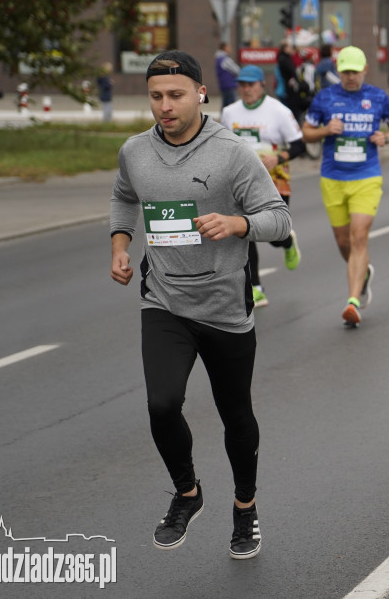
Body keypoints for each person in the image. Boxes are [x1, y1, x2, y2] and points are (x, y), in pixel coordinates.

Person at [109, 50, 292, 560]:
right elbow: (124, 196)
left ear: (201, 94)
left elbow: (279, 218)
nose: (164, 106)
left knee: (236, 415)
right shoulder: (135, 151)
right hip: (164, 299)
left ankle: (245, 506)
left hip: (225, 306)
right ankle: (188, 494)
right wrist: (121, 245)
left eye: (175, 95)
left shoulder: (232, 153)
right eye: (156, 96)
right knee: (162, 404)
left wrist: (238, 224)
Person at [302, 47, 389, 326]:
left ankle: (353, 301)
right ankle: (363, 273)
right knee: (343, 242)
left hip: (366, 176)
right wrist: (325, 131)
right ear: (339, 71)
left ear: (364, 70)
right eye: (345, 71)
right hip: (333, 178)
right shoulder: (325, 98)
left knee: (359, 237)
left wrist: (386, 138)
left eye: (355, 72)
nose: (350, 77)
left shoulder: (378, 97)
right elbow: (306, 134)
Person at [220, 64, 304, 308]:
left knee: (273, 233)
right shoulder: (229, 112)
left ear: (262, 86)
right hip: (240, 183)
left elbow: (299, 145)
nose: (245, 89)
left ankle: (286, 241)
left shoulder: (278, 111)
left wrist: (277, 158)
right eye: (242, 85)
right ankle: (256, 288)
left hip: (274, 181)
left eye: (250, 85)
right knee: (246, 232)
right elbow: (223, 145)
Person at [214, 42, 240, 111]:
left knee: (225, 105)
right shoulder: (225, 59)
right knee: (231, 106)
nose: (230, 49)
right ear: (224, 48)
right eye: (229, 47)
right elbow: (236, 70)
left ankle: (223, 120)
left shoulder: (218, 59)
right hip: (230, 85)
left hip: (223, 85)